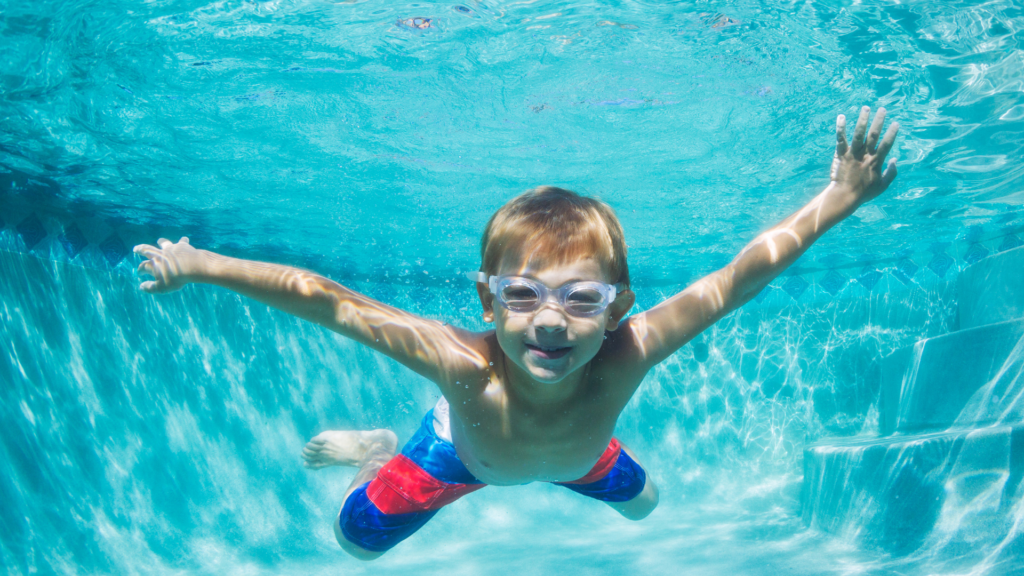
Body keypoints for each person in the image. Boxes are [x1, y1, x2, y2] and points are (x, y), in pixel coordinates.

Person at [134, 106, 899, 560]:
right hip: (459, 457)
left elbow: (735, 280)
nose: (549, 319)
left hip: (576, 454)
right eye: (524, 294)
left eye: (580, 298)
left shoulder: (628, 354)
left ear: (619, 308)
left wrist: (836, 200)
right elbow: (328, 300)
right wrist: (202, 264)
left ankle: (579, 460)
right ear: (489, 302)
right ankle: (375, 446)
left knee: (649, 505)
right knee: (353, 542)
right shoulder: (462, 366)